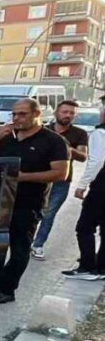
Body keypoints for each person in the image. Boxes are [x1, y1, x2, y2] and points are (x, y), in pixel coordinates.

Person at [0, 98, 69, 303]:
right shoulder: (6, 138)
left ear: (37, 114)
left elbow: (60, 173)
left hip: (27, 204)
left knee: (19, 250)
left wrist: (24, 177)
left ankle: (7, 288)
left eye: (22, 114)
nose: (17, 118)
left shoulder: (53, 141)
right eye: (14, 114)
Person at [31, 100, 88, 259]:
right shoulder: (43, 130)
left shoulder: (79, 134)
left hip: (61, 181)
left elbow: (83, 156)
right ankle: (24, 241)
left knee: (48, 214)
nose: (67, 115)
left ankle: (38, 245)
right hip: (40, 178)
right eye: (65, 112)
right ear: (57, 112)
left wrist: (66, 147)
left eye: (71, 113)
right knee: (32, 211)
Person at [65, 103, 105, 280]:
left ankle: (87, 267)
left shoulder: (100, 133)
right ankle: (102, 267)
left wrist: (82, 184)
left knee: (85, 227)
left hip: (102, 187)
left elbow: (96, 161)